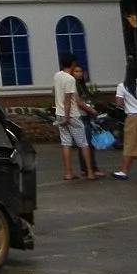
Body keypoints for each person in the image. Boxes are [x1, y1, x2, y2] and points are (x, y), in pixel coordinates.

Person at [54, 52, 99, 180]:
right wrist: (68, 117)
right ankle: (90, 171)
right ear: (72, 64)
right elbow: (68, 99)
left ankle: (68, 172)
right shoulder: (70, 79)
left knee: (66, 143)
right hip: (71, 114)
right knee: (83, 143)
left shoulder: (57, 76)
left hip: (59, 113)